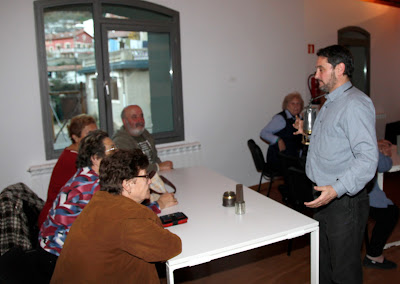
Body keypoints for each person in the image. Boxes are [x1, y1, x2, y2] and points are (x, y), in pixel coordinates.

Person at [294, 45, 378, 283]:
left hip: (343, 200)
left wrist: (336, 189)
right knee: (324, 263)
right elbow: (332, 142)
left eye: (321, 69)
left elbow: (368, 159)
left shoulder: (355, 104)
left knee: (343, 270)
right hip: (323, 194)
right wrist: (305, 131)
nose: (316, 75)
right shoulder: (330, 102)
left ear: (339, 69)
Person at [50, 149, 182, 283]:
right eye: (145, 176)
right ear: (127, 184)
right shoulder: (128, 218)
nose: (149, 181)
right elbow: (171, 246)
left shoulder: (100, 202)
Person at [38, 114, 97, 228]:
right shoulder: (72, 160)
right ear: (75, 137)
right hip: (55, 223)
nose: (95, 138)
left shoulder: (78, 154)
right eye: (89, 134)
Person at [364, 139, 398, 269]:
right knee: (391, 213)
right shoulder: (366, 143)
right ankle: (374, 255)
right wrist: (382, 153)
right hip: (362, 196)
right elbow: (385, 165)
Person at [113, 105, 173, 173]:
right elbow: (129, 167)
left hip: (153, 175)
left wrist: (165, 167)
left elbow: (155, 158)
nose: (140, 120)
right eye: (134, 117)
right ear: (124, 121)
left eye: (141, 116)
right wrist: (157, 167)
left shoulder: (145, 133)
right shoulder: (119, 141)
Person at [260, 92, 304, 172]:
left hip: (292, 157)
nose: (296, 106)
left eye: (298, 104)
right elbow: (263, 133)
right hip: (279, 159)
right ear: (287, 105)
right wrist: (278, 140)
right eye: (293, 103)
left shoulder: (300, 119)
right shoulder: (281, 119)